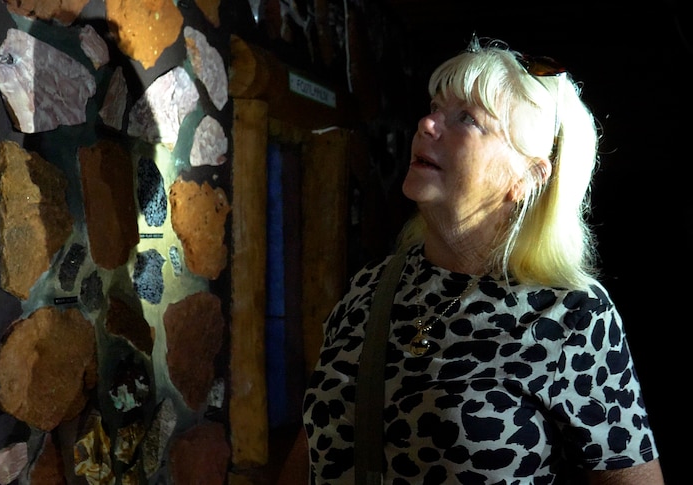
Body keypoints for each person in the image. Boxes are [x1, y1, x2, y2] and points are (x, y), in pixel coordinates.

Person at [281, 37, 665, 484]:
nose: (426, 123)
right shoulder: (370, 287)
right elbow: (310, 452)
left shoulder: (571, 316)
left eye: (467, 118)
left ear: (526, 177)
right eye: (434, 107)